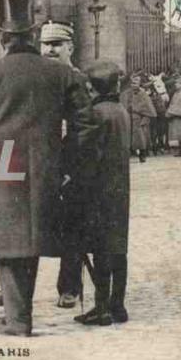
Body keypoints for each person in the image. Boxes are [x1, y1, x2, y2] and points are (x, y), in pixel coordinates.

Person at [0, 0, 96, 336]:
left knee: (6, 245)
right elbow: (85, 126)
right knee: (29, 240)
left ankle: (18, 320)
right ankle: (18, 314)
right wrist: (64, 161)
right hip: (45, 172)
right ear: (33, 36)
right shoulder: (62, 74)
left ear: (3, 39)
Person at [70, 62, 131, 326]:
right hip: (119, 190)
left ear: (94, 88)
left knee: (100, 250)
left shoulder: (95, 114)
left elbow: (87, 155)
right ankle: (118, 305)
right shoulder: (120, 111)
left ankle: (101, 307)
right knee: (118, 249)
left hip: (98, 191)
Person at [40, 19, 88, 310]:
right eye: (45, 44)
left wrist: (71, 168)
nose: (50, 50)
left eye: (56, 44)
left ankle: (70, 287)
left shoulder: (78, 79)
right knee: (25, 226)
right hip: (39, 163)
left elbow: (83, 129)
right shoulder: (36, 79)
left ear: (70, 46)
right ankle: (14, 288)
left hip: (68, 167)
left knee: (72, 227)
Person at [120, 73, 156, 163]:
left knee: (141, 138)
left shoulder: (143, 94)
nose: (133, 85)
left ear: (139, 84)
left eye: (135, 83)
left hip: (139, 119)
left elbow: (148, 108)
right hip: (127, 118)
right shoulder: (125, 93)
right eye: (132, 83)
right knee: (127, 138)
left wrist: (146, 119)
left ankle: (142, 154)